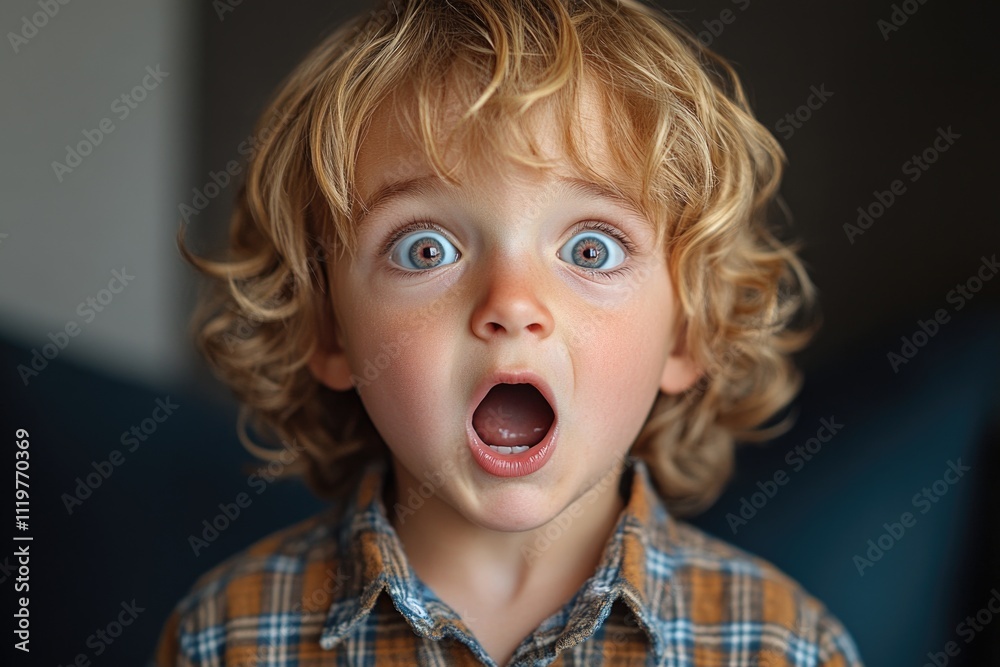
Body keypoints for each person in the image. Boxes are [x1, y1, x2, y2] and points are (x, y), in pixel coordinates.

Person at [155, 0, 863, 664]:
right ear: (329, 330)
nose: (513, 303)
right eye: (425, 249)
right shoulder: (226, 636)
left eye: (592, 249)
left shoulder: (784, 645)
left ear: (686, 333)